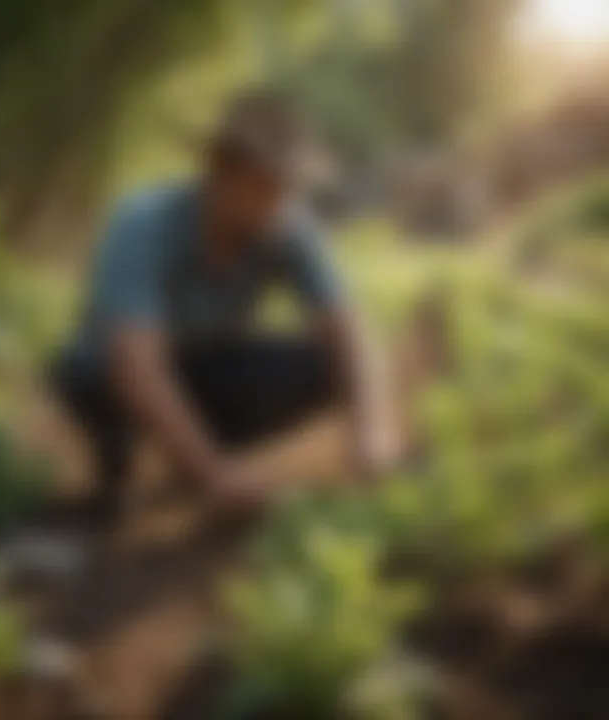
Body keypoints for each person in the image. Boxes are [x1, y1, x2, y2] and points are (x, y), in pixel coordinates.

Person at [50, 89, 403, 531]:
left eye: (288, 186)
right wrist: (213, 476)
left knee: (323, 364)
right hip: (114, 372)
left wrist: (371, 435)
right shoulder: (143, 222)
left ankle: (203, 451)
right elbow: (135, 365)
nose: (279, 199)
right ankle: (130, 457)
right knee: (89, 376)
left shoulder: (287, 226)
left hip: (205, 365)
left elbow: (348, 330)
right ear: (220, 172)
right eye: (265, 183)